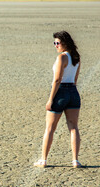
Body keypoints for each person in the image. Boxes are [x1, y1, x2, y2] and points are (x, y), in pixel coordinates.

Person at [34, 31, 82, 168]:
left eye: (58, 43)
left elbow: (57, 79)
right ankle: (75, 160)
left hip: (60, 92)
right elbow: (75, 78)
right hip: (73, 92)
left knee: (50, 128)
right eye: (54, 43)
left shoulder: (62, 58)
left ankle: (43, 160)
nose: (55, 45)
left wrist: (50, 99)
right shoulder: (76, 57)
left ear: (65, 43)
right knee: (73, 127)